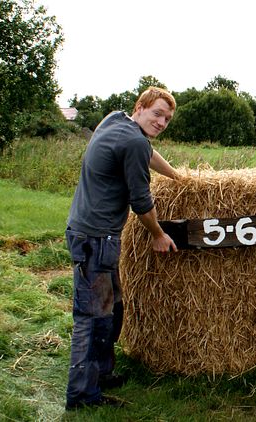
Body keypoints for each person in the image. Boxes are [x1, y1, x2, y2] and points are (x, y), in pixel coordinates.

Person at [64, 87, 182, 410]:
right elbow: (141, 202)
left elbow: (147, 151)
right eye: (157, 113)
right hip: (95, 238)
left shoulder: (115, 121)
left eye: (168, 119)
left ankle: (102, 374)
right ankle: (82, 396)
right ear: (141, 107)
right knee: (93, 318)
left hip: (91, 232)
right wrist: (158, 234)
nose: (162, 122)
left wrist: (176, 177)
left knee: (114, 308)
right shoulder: (132, 141)